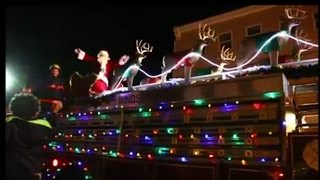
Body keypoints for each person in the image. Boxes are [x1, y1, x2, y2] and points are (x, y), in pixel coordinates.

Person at [6, 93, 53, 180]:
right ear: (36, 111)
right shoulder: (45, 127)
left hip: (11, 172)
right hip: (34, 172)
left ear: (13, 108)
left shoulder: (9, 126)